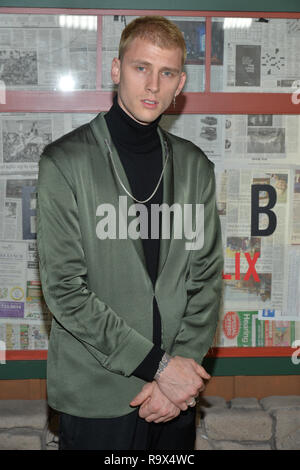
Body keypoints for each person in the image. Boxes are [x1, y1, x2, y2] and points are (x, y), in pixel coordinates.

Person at [37, 16, 223, 451]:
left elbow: (207, 282)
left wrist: (179, 374)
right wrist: (160, 367)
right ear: (117, 70)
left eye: (167, 72)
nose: (153, 85)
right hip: (98, 398)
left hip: (173, 401)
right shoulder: (64, 162)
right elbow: (65, 289)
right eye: (142, 68)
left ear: (181, 83)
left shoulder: (196, 168)